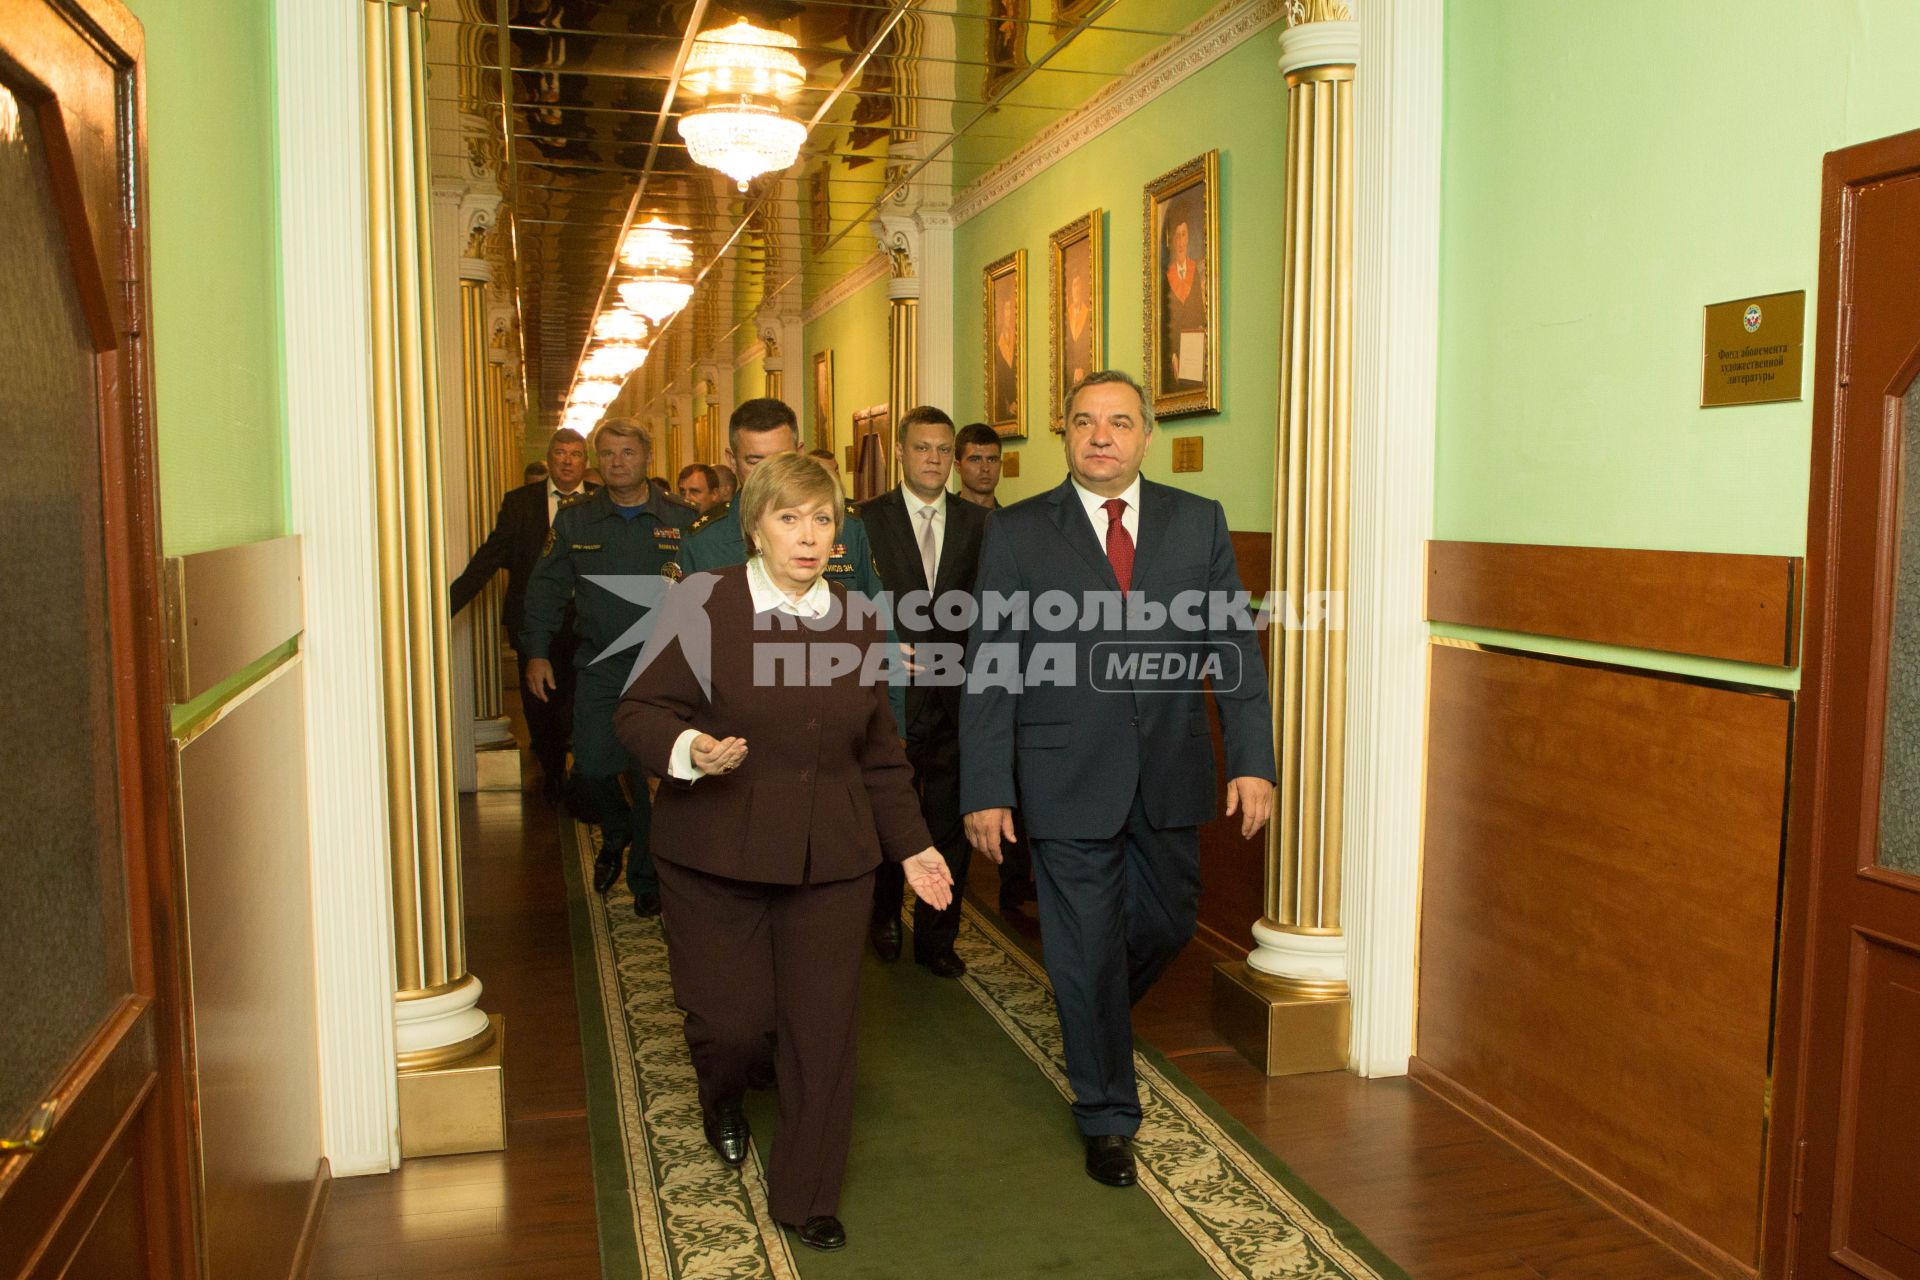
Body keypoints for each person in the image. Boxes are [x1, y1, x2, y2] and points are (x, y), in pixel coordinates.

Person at [615, 454, 954, 1254]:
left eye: (823, 519)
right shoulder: (703, 604)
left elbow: (879, 751)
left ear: (840, 532)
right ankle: (723, 1094)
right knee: (734, 1026)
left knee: (823, 1031)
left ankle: (808, 1194)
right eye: (789, 519)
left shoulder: (859, 620)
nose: (808, 537)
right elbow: (638, 713)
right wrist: (692, 747)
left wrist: (911, 848)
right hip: (714, 852)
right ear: (756, 528)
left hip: (830, 857)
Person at [960, 370, 1274, 1189]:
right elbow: (991, 666)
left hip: (1171, 772)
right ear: (1063, 434)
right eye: (1085, 422)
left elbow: (1232, 653)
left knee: (1168, 924)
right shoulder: (1021, 532)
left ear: (1146, 436)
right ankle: (1106, 1114)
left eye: (1120, 422)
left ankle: (1089, 1010)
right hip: (1064, 773)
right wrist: (987, 785)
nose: (1102, 436)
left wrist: (1252, 760)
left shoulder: (1197, 522)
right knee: (1085, 940)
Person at [522, 418, 696, 915]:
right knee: (595, 769)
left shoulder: (680, 519)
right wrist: (536, 651)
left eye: (628, 452)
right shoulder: (576, 521)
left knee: (650, 778)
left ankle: (645, 881)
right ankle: (615, 832)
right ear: (598, 459)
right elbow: (545, 589)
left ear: (647, 457)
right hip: (600, 664)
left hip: (664, 670)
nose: (618, 462)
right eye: (609, 453)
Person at [857, 407, 985, 975]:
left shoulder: (978, 523)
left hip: (958, 697)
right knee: (888, 810)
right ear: (901, 454)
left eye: (941, 449)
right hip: (891, 695)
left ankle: (938, 938)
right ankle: (882, 914)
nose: (932, 459)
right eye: (921, 448)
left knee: (949, 819)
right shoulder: (863, 521)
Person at [449, 427, 598, 803]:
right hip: (533, 624)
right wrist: (444, 607)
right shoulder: (520, 502)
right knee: (538, 702)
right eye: (560, 453)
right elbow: (490, 556)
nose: (567, 460)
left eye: (575, 453)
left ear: (585, 462)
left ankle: (583, 771)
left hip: (588, 623)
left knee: (581, 700)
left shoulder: (601, 502)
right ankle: (551, 772)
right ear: (549, 458)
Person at [954, 421, 1004, 511]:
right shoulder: (943, 519)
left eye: (992, 460)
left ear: (1000, 465)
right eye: (975, 459)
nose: (985, 468)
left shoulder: (1009, 522)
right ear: (958, 466)